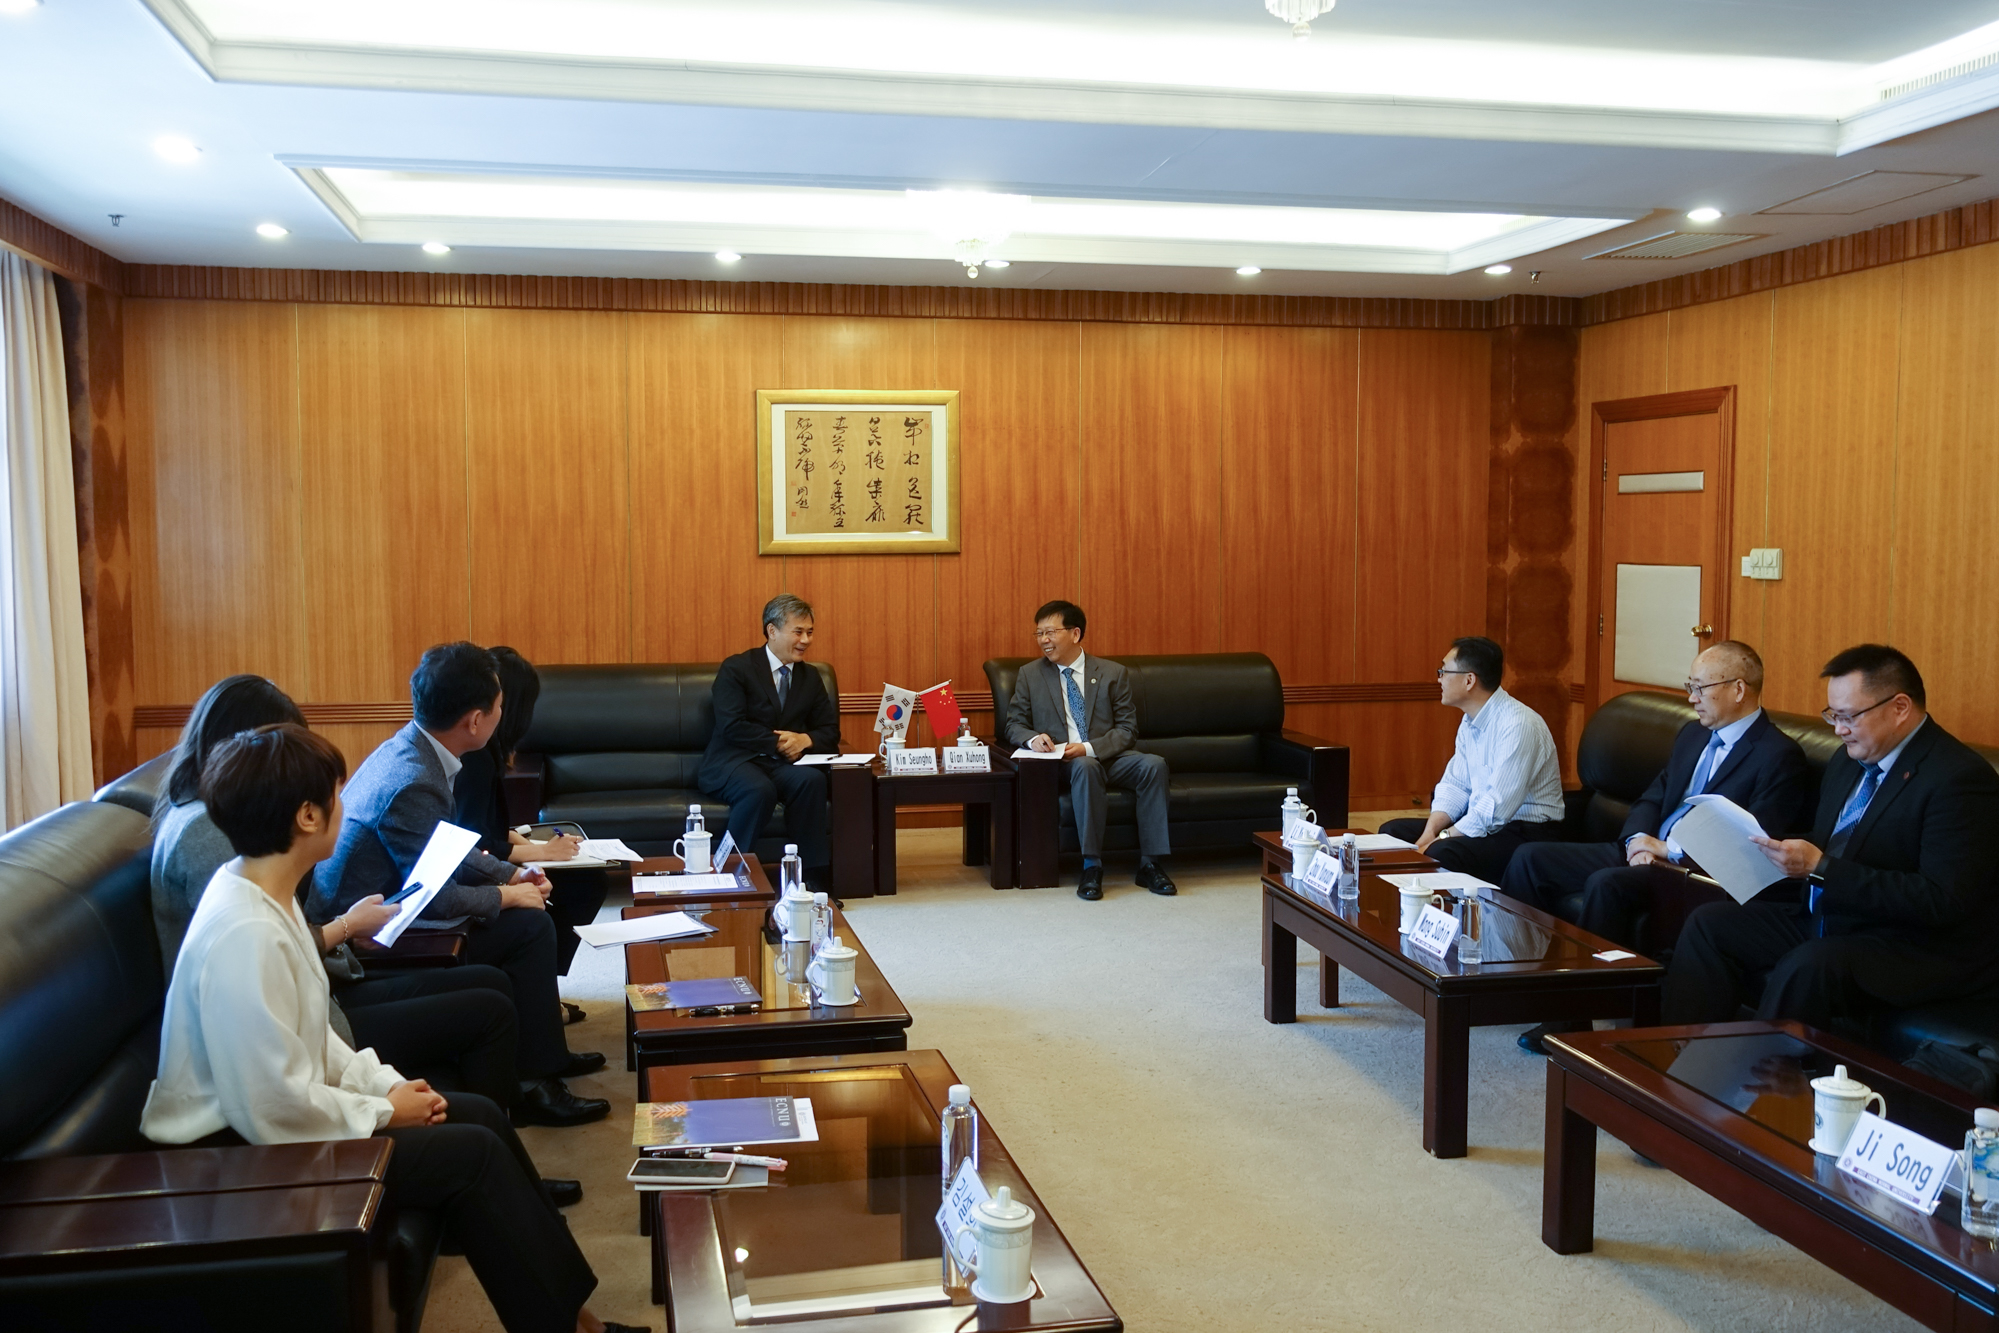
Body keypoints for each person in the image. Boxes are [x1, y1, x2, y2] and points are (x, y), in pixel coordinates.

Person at [140, 724, 645, 1333]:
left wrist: (386, 1087)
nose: (345, 806)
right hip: (236, 1151)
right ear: (306, 816)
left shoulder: (264, 894)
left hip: (279, 1120)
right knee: (473, 1155)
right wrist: (382, 1113)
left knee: (480, 1115)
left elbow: (317, 1041)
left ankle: (576, 1317)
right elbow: (270, 1106)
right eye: (335, 795)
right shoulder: (244, 931)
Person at [151, 675, 537, 1143]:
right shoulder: (220, 862)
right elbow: (273, 1090)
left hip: (318, 1013)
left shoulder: (248, 870)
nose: (345, 807)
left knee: (487, 1028)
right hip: (290, 1080)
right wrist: (348, 926)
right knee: (484, 1040)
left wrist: (383, 1087)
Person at [312, 642, 608, 1128]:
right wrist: (508, 894)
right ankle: (535, 1080)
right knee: (528, 928)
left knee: (525, 921)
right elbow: (433, 893)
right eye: (499, 705)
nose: (503, 713)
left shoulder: (416, 749)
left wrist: (510, 873)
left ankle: (541, 1061)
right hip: (367, 933)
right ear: (475, 721)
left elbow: (445, 849)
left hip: (389, 904)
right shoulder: (414, 779)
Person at [1662, 644, 1999, 1036]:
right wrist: (1764, 846)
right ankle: (1676, 1056)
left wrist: (1821, 868)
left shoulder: (1958, 780)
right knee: (1710, 924)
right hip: (1833, 916)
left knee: (1808, 967)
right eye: (1833, 715)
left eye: (1848, 716)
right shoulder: (1848, 760)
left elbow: (1941, 900)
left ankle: (1761, 1073)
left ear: (1900, 707)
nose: (1838, 729)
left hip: (1910, 944)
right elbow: (1830, 841)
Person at [1503, 641, 1816, 1053]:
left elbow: (1753, 838)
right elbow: (1654, 795)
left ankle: (1571, 1021)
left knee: (1606, 884)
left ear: (1739, 689)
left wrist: (1669, 851)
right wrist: (1637, 841)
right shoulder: (1692, 734)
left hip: (1689, 871)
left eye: (1701, 688)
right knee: (1530, 859)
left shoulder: (1779, 755)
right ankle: (1514, 989)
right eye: (1690, 686)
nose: (1691, 698)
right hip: (1643, 850)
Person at [1003, 600, 1174, 902]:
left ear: (1075, 633)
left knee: (1154, 765)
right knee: (1085, 766)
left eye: (1050, 632)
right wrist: (1032, 739)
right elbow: (1014, 724)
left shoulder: (1112, 673)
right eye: (1039, 633)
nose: (1043, 640)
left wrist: (1089, 748)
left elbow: (1127, 729)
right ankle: (1091, 865)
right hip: (1065, 762)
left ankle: (1150, 864)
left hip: (1109, 756)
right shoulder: (1030, 675)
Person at [454, 646, 604, 987]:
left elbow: (490, 826)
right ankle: (541, 986)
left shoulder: (488, 752)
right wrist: (544, 852)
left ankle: (542, 983)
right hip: (472, 873)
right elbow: (477, 844)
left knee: (588, 879)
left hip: (483, 858)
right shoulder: (477, 759)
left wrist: (532, 844)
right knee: (584, 885)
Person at [1380, 637, 1563, 884]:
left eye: (1444, 671)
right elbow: (1455, 785)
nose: (1439, 679)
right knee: (1392, 833)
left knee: (1441, 851)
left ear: (1469, 680)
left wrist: (1443, 837)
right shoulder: (1470, 721)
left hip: (1525, 833)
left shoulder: (1519, 725)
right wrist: (1430, 831)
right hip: (1486, 822)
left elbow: (1495, 808)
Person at [697, 594, 841, 893]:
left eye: (810, 632)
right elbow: (731, 725)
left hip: (780, 764)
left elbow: (829, 731)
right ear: (772, 630)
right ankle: (730, 876)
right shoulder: (737, 668)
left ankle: (811, 881)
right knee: (758, 790)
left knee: (811, 781)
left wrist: (805, 739)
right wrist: (778, 742)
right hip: (735, 759)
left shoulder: (810, 677)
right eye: (798, 632)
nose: (806, 640)